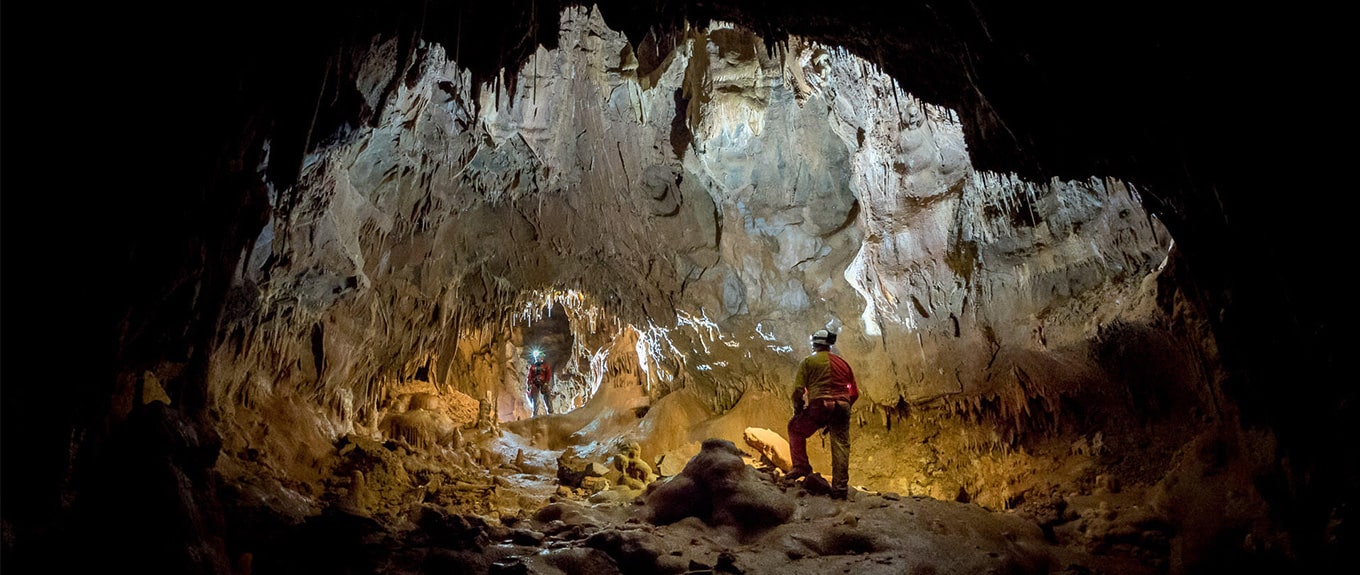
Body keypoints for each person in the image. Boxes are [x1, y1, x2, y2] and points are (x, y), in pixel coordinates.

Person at [786, 329, 859, 499]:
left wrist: (798, 409)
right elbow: (854, 393)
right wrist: (843, 410)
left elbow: (798, 391)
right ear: (829, 346)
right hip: (842, 405)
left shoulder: (808, 362)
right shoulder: (843, 364)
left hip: (820, 404)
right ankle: (840, 490)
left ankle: (801, 467)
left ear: (815, 344)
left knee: (795, 429)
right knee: (840, 445)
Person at [526, 350, 554, 416]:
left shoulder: (546, 366)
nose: (539, 358)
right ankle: (535, 414)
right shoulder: (533, 367)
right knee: (535, 398)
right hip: (535, 383)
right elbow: (530, 376)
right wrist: (529, 384)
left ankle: (550, 411)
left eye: (540, 357)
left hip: (543, 382)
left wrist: (546, 383)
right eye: (538, 357)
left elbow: (548, 375)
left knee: (547, 396)